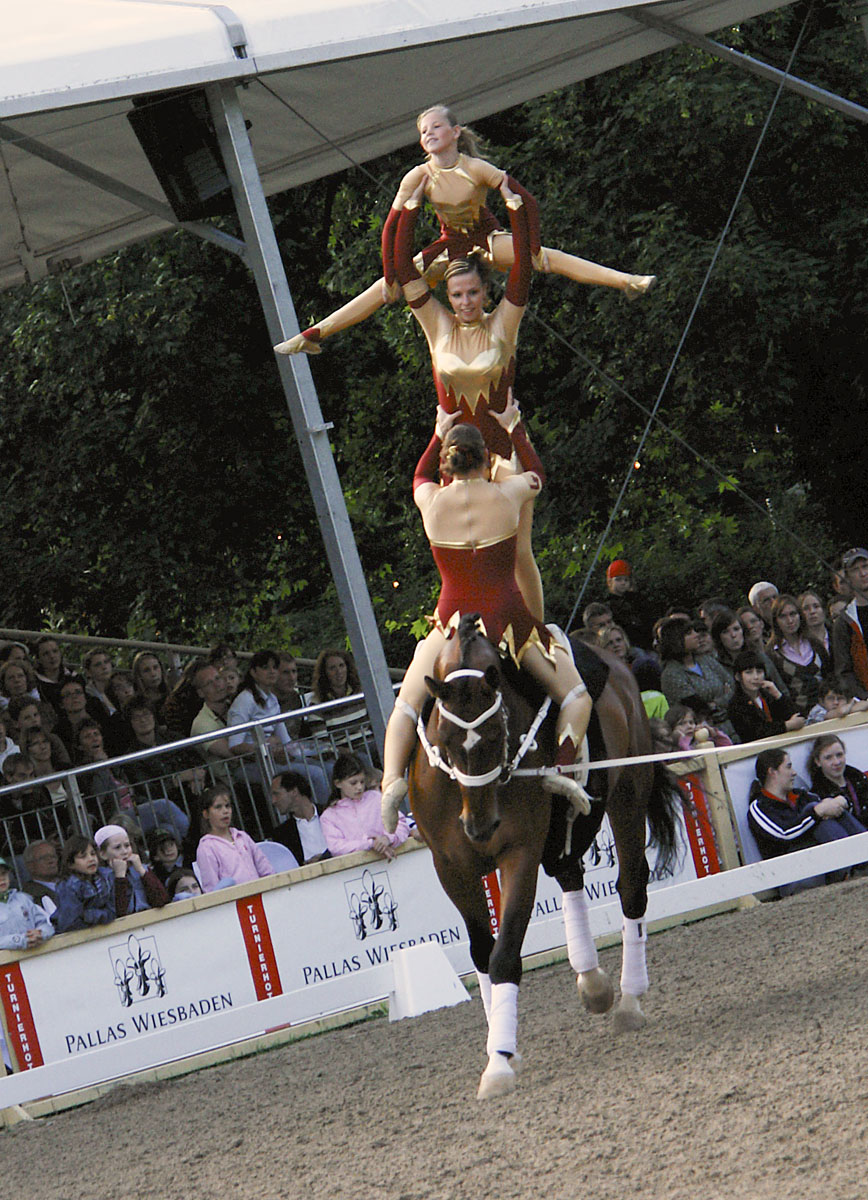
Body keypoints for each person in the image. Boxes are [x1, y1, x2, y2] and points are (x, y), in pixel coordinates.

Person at [275, 103, 654, 359]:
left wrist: (531, 246)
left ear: (455, 132)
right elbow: (390, 230)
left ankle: (625, 281)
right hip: (448, 246)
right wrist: (392, 276)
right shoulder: (418, 176)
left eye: (436, 126)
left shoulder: (476, 168)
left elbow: (527, 200)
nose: (428, 133)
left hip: (485, 238)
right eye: (423, 131)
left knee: (548, 259)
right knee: (382, 289)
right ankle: (314, 335)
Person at [380, 405, 593, 824]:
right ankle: (563, 769)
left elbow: (419, 477)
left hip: (451, 622)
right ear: (484, 459)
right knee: (575, 697)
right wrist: (514, 428)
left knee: (406, 705)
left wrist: (435, 435)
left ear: (449, 461)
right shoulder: (507, 494)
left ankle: (391, 784)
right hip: (507, 619)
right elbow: (537, 475)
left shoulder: (432, 500)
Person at [389, 179, 546, 619]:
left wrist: (511, 199)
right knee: (456, 556)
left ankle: (537, 632)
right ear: (448, 296)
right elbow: (402, 269)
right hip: (455, 453)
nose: (465, 302)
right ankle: (466, 626)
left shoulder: (503, 324)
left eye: (473, 292)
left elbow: (524, 269)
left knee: (519, 553)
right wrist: (410, 204)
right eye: (457, 295)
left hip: (505, 444)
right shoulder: (437, 325)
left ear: (485, 292)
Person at [747, 748, 866, 889]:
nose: (794, 773)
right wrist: (816, 812)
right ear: (772, 772)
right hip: (792, 876)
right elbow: (784, 834)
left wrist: (841, 801)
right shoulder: (759, 807)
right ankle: (852, 866)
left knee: (829, 809)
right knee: (818, 813)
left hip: (822, 865)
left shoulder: (801, 795)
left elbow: (829, 807)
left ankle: (862, 858)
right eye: (788, 767)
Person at [228, 651, 331, 807]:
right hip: (251, 765)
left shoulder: (272, 699)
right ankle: (323, 817)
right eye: (265, 668)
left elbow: (286, 742)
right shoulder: (245, 700)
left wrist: (314, 751)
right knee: (315, 774)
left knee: (327, 766)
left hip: (273, 759)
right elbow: (235, 745)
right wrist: (266, 749)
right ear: (253, 672)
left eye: (275, 667)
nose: (271, 672)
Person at [321, 752, 409, 860]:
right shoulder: (329, 816)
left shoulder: (376, 798)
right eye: (353, 783)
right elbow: (336, 847)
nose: (359, 787)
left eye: (362, 782)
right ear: (338, 783)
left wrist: (388, 838)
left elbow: (401, 824)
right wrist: (371, 844)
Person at [658, 616, 735, 735]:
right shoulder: (671, 674)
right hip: (703, 733)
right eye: (689, 633)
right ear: (676, 639)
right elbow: (699, 708)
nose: (696, 635)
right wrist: (722, 699)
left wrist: (715, 704)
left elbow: (731, 685)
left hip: (731, 727)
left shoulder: (706, 660)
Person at [194, 784, 275, 892]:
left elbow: (265, 868)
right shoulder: (206, 847)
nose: (225, 811)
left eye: (227, 806)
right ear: (206, 814)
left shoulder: (242, 836)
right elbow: (211, 888)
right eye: (218, 807)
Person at [765, 593, 830, 716]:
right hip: (799, 717)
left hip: (828, 709)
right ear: (776, 621)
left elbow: (830, 675)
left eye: (793, 614)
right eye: (783, 616)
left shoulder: (815, 644)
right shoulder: (772, 655)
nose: (790, 620)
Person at [727, 650, 805, 743]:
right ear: (738, 677)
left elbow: (797, 716)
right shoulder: (736, 704)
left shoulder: (768, 696)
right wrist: (786, 725)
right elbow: (755, 732)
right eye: (749, 672)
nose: (755, 677)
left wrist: (778, 695)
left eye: (759, 672)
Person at [711, 608, 788, 698]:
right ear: (719, 637)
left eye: (736, 629)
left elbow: (782, 690)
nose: (733, 635)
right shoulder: (716, 665)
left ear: (743, 631)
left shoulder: (759, 657)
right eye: (725, 632)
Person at [95, 823, 170, 915]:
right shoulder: (101, 878)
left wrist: (142, 871)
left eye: (127, 845)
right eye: (117, 847)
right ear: (103, 854)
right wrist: (120, 877)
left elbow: (162, 900)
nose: (125, 851)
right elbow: (119, 911)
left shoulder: (142, 869)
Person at [52, 835, 118, 932]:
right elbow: (71, 922)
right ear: (70, 864)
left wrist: (88, 915)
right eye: (83, 857)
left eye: (93, 854)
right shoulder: (68, 886)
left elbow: (113, 911)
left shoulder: (106, 876)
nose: (91, 859)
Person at [269, 771, 329, 865]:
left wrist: (325, 858)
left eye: (276, 794)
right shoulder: (282, 834)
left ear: (294, 792)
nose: (273, 801)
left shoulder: (331, 813)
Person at [832, 547, 868, 699]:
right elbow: (844, 672)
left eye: (865, 566)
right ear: (847, 577)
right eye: (855, 569)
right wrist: (864, 698)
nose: (863, 573)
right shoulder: (844, 623)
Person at [808, 733, 868, 826]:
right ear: (818, 761)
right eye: (828, 758)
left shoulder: (860, 780)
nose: (836, 762)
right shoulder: (818, 795)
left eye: (839, 755)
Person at [0, 853, 55, 950]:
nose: (1, 878)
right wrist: (19, 940)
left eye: (3, 873)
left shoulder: (23, 899)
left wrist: (40, 933)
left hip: (37, 958)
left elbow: (47, 924)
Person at [604, 560, 655, 650]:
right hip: (627, 645)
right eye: (618, 579)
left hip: (645, 643)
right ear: (610, 582)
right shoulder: (608, 605)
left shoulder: (637, 600)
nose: (623, 583)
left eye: (626, 579)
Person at [664, 702, 732, 750]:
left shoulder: (700, 741)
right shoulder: (674, 748)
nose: (689, 726)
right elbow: (689, 757)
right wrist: (682, 740)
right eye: (681, 724)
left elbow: (727, 746)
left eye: (691, 722)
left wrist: (715, 735)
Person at [21, 839, 61, 908]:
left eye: (53, 856)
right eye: (44, 858)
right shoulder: (29, 897)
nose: (51, 861)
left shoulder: (71, 882)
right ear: (30, 866)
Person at [130, 651, 170, 716]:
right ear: (139, 675)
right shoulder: (135, 703)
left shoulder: (172, 695)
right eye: (146, 670)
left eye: (155, 668)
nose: (153, 674)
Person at [83, 648, 116, 716]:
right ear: (88, 672)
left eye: (106, 662)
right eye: (98, 665)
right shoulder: (87, 695)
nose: (104, 667)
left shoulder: (119, 689)